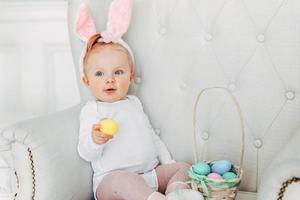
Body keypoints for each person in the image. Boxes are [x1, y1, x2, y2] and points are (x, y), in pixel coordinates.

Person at [75, 1, 204, 200]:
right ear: (87, 81)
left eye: (118, 72)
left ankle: (176, 194)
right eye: (100, 73)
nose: (110, 79)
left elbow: (152, 137)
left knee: (185, 168)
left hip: (148, 177)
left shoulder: (133, 103)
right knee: (124, 181)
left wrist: (168, 163)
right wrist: (95, 140)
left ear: (130, 75)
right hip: (111, 183)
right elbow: (86, 152)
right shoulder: (93, 110)